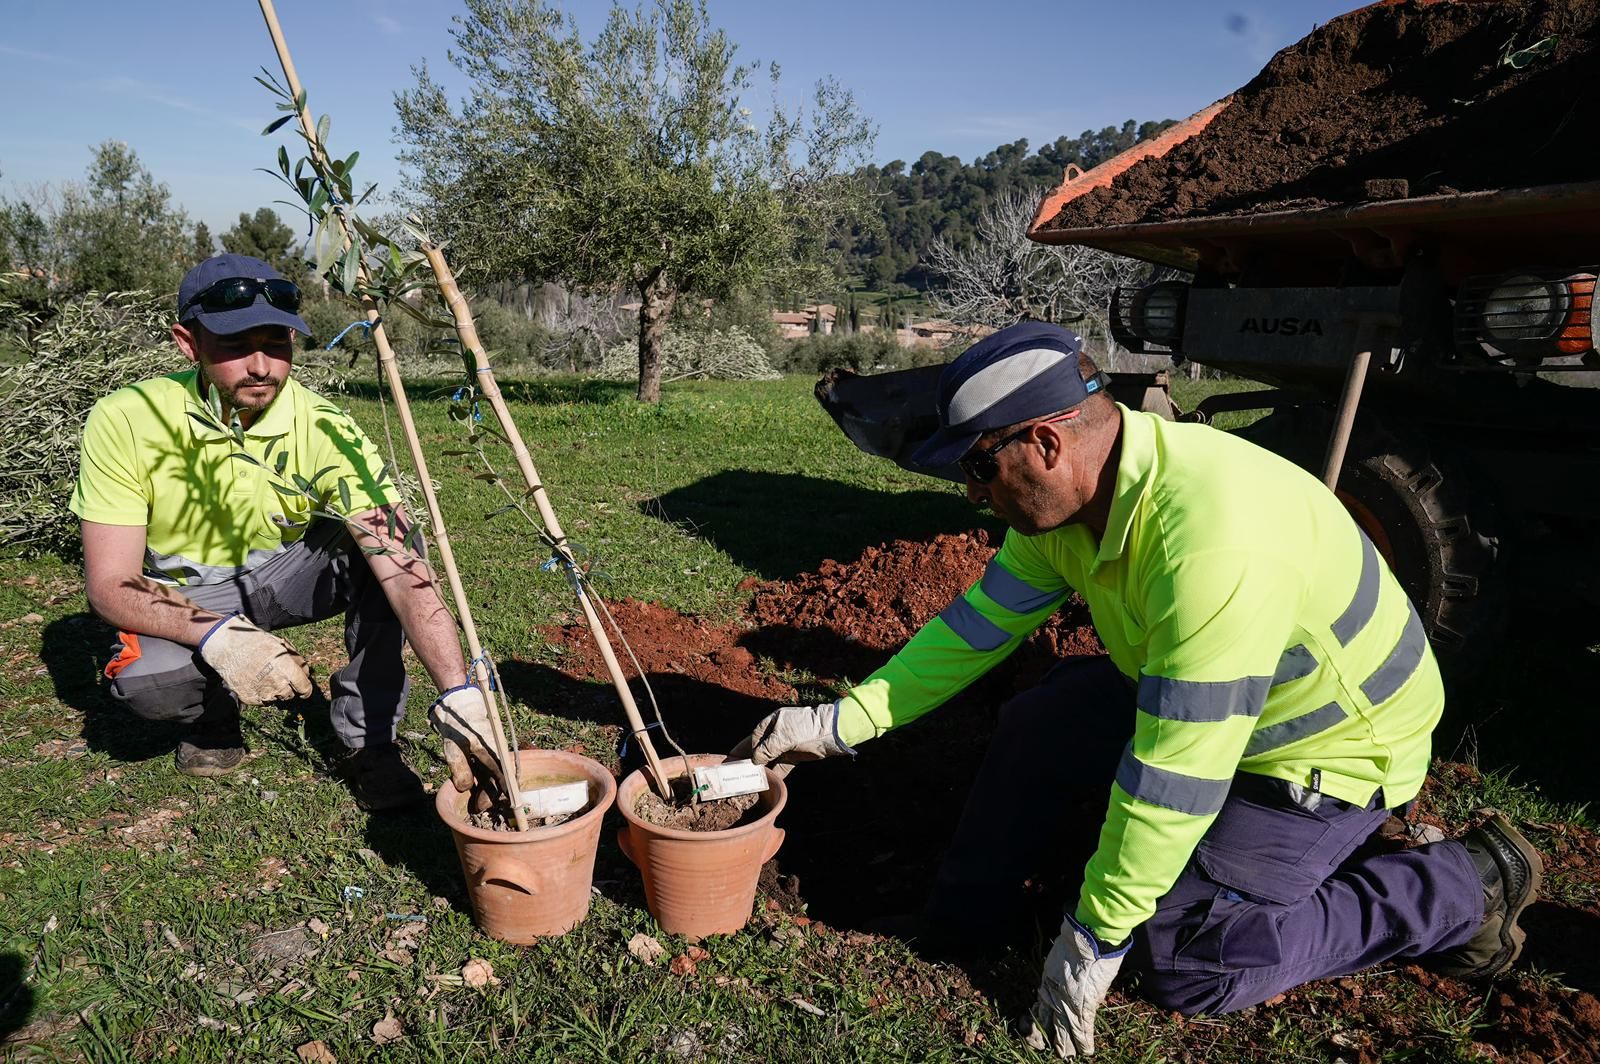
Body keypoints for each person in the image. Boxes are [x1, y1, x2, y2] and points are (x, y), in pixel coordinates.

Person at [733, 322, 1542, 1057]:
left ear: (1047, 443)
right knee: (1038, 722)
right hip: (1207, 694)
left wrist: (1094, 939)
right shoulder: (1066, 510)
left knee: (1186, 957)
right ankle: (960, 927)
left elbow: (1175, 775)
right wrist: (842, 723)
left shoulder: (1210, 544)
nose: (973, 494)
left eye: (981, 469)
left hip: (1325, 747)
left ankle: (1459, 889)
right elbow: (976, 629)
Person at [71, 254, 500, 811]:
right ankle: (212, 716)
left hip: (284, 575)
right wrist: (217, 636)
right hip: (184, 591)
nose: (262, 366)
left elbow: (401, 561)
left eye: (277, 343)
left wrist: (458, 690)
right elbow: (110, 583)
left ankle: (368, 741)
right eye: (234, 345)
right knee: (152, 684)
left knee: (392, 542)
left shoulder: (324, 425)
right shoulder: (126, 419)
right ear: (187, 342)